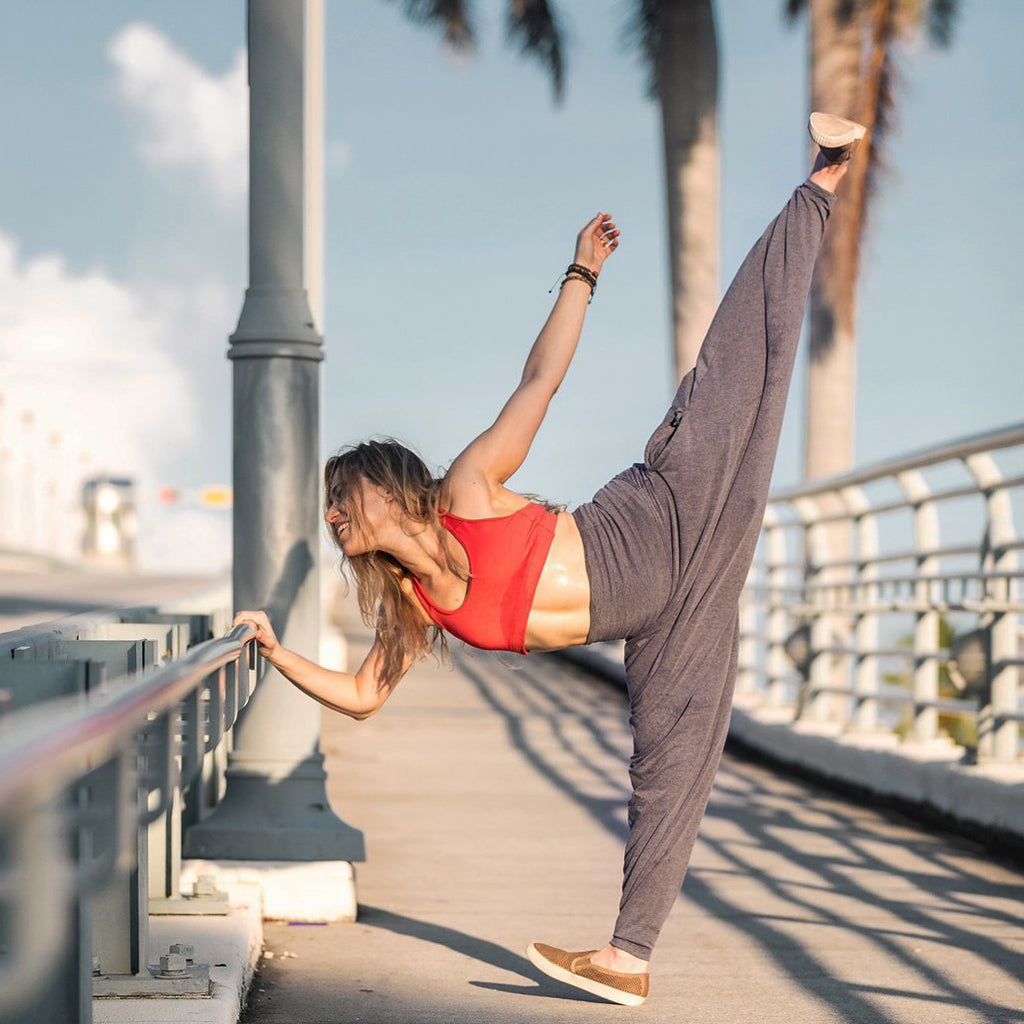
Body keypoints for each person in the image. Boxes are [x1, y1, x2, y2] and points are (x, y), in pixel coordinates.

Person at [235, 112, 865, 1007]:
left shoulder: (466, 489)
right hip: (664, 619)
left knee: (735, 372)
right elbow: (364, 697)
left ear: (384, 486)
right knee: (667, 777)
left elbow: (541, 382)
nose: (333, 513)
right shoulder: (412, 606)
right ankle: (627, 958)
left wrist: (581, 273)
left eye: (344, 495)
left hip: (661, 513)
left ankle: (823, 178)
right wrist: (274, 648)